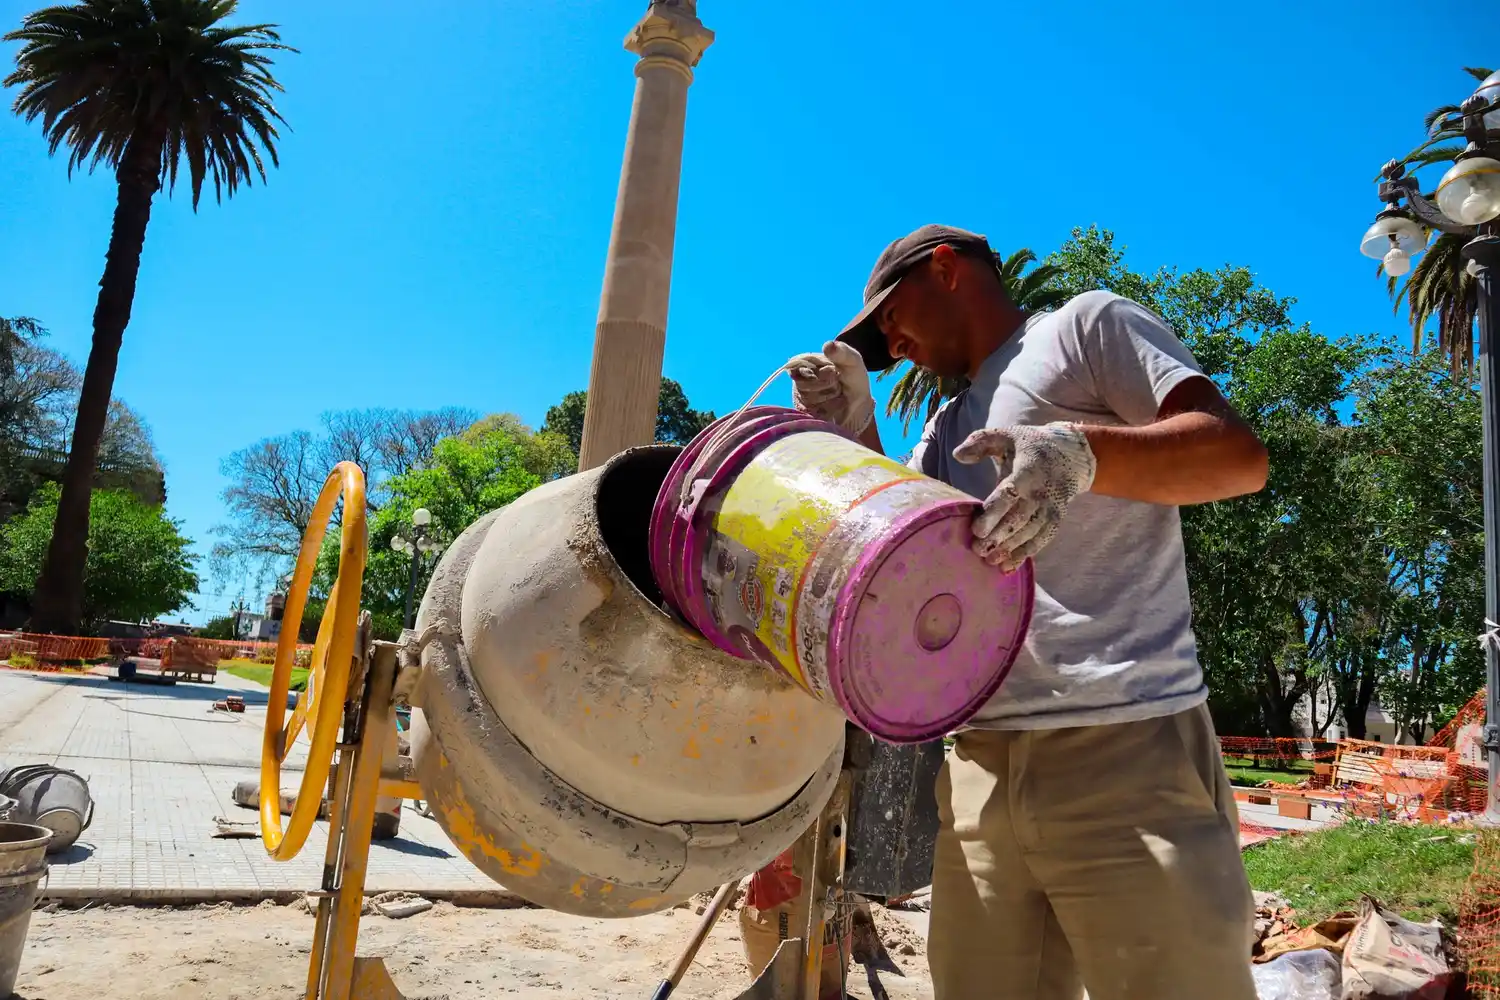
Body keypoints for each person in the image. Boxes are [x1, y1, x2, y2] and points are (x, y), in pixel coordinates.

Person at [784, 224, 1269, 1000]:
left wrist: (1084, 456)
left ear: (944, 269)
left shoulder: (1086, 326)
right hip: (977, 767)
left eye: (888, 318)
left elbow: (1237, 457)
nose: (892, 344)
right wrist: (853, 422)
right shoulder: (946, 428)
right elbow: (897, 549)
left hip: (1124, 749)